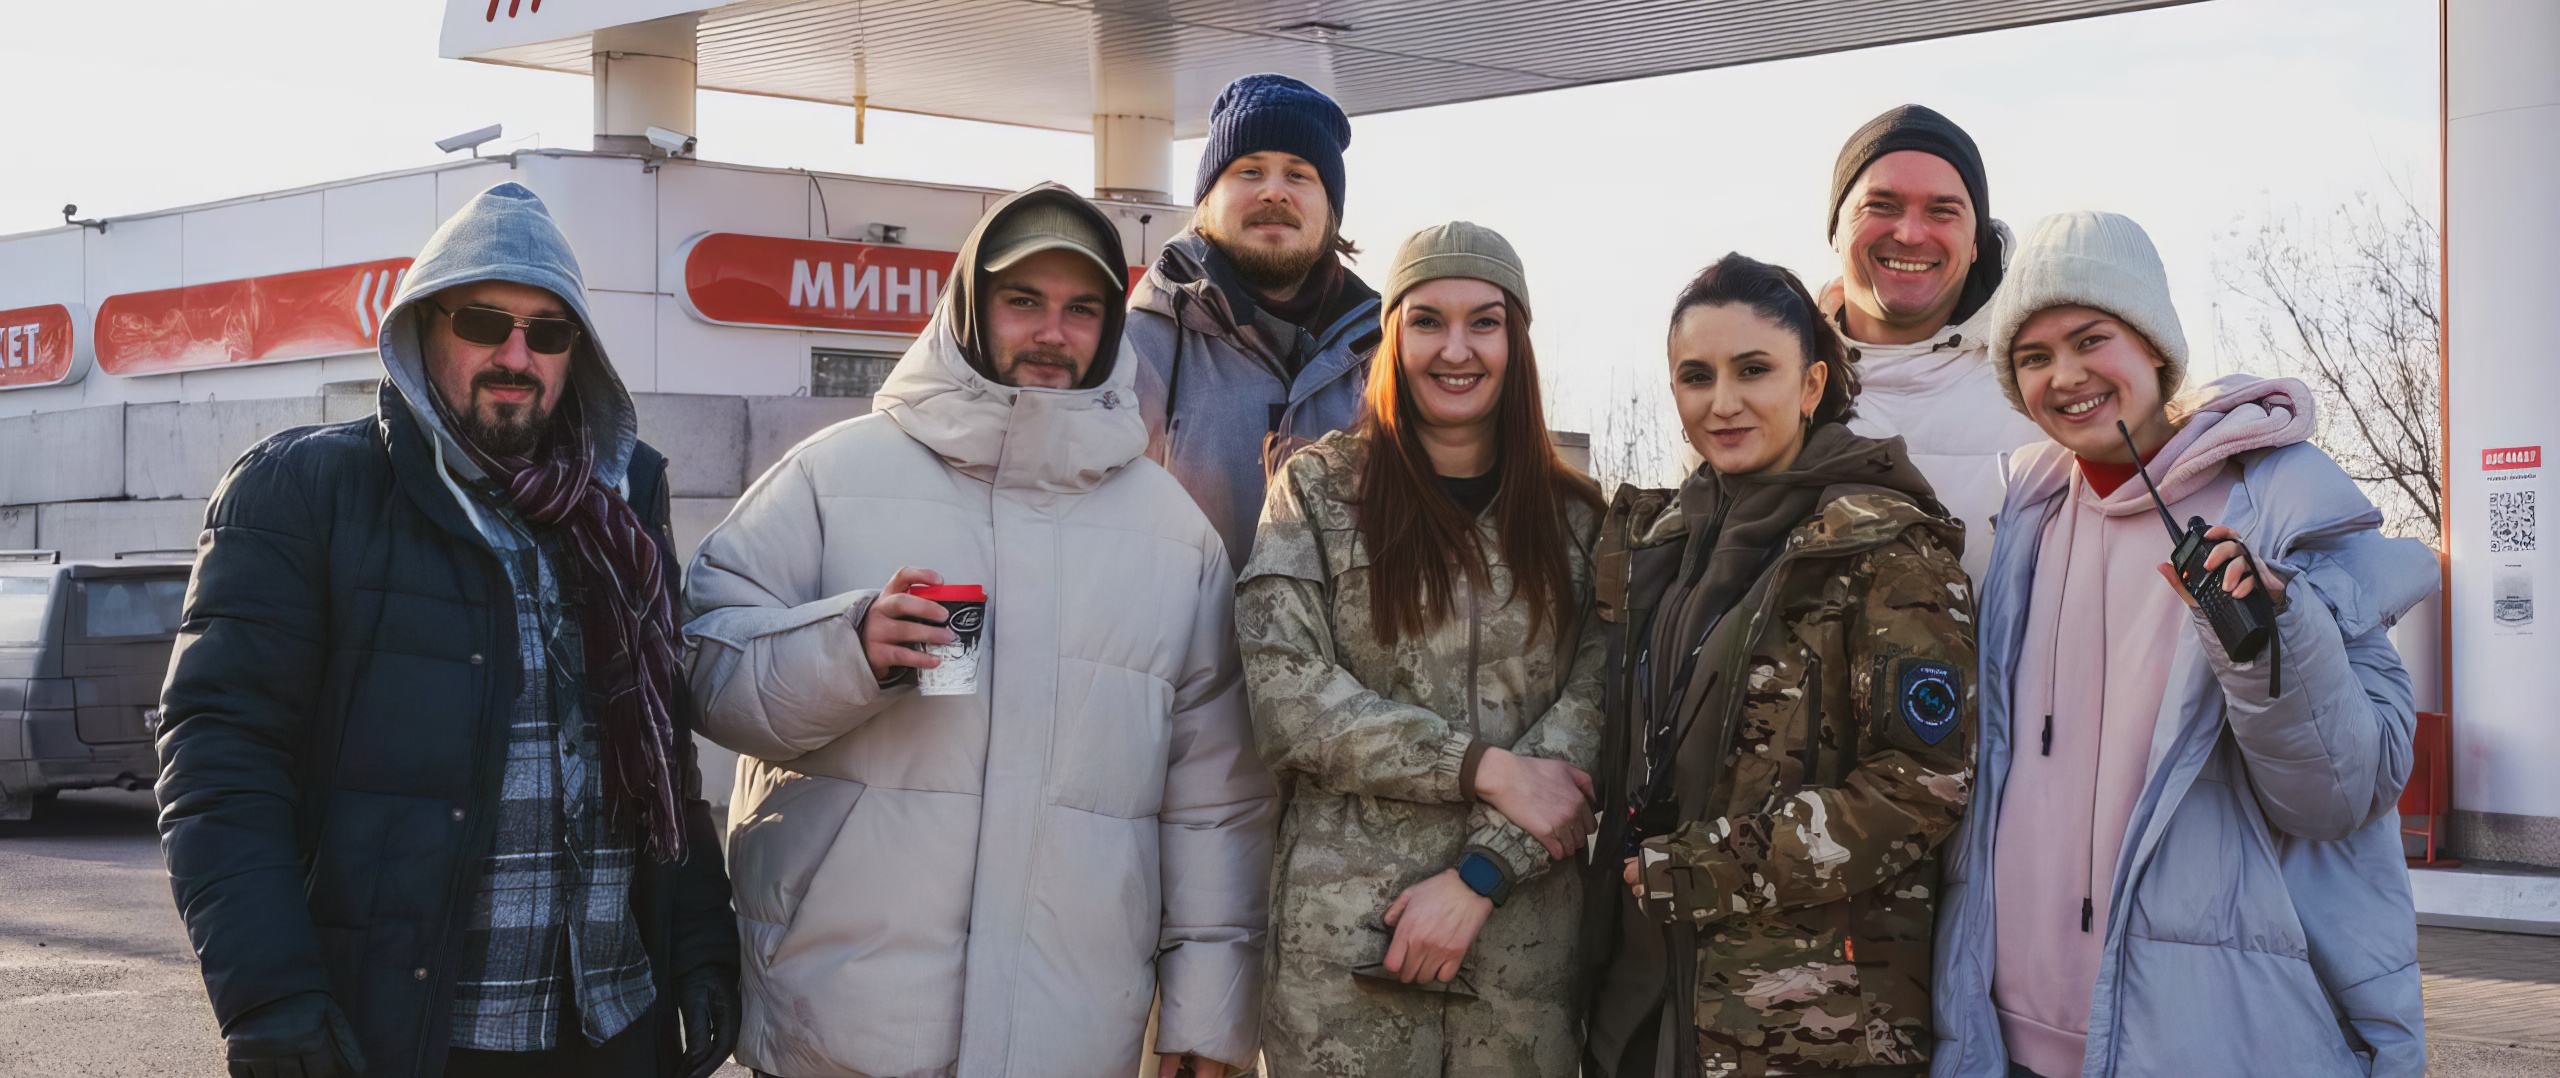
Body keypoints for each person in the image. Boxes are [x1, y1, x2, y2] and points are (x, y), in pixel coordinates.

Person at [682, 183, 1276, 1078]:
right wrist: (849, 650)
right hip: (839, 1027)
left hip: (1071, 1035)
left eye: (1081, 310)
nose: (1052, 333)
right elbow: (702, 669)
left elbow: (1218, 804)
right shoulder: (829, 478)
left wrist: (1207, 1013)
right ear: (969, 305)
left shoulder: (1175, 538)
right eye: (1023, 301)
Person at [157, 182, 740, 1078]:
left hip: (615, 1021)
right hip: (418, 1034)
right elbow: (220, 765)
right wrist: (270, 994)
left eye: (548, 332)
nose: (517, 354)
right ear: (421, 327)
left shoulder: (619, 504)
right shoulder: (303, 493)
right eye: (483, 322)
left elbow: (661, 751)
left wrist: (698, 940)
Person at [1930, 212, 2436, 1078]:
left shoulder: (2278, 510)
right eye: (2034, 356)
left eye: (2093, 339)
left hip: (2201, 1035)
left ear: (2155, 348)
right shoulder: (2023, 519)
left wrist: (2275, 637)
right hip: (2009, 1038)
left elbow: (2341, 794)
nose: (2066, 376)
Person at [1584, 253, 1977, 1077]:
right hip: (1640, 998)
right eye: (1696, 376)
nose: (1722, 402)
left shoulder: (1884, 547)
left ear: (1811, 384)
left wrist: (1712, 869)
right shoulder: (1655, 545)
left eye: (1753, 369)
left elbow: (1921, 786)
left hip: (1802, 1024)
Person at [1240, 221, 1607, 1076]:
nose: (1456, 349)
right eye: (1427, 321)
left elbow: (1598, 710)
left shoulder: (1580, 521)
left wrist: (1484, 874)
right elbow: (1286, 693)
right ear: (1392, 339)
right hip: (1346, 964)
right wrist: (1480, 767)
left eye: (1485, 322)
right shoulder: (1317, 492)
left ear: (1517, 342)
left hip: (1524, 968)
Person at [1129, 72, 1383, 567]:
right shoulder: (1144, 339)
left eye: (1298, 175)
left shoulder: (1380, 350)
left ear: (1331, 208)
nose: (1273, 192)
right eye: (1250, 171)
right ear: (1208, 197)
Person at [1821, 104, 2044, 583]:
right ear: (1835, 227)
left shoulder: (2040, 395)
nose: (1910, 233)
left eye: (1943, 211)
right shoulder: (1768, 387)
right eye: (1882, 205)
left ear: (1977, 241)